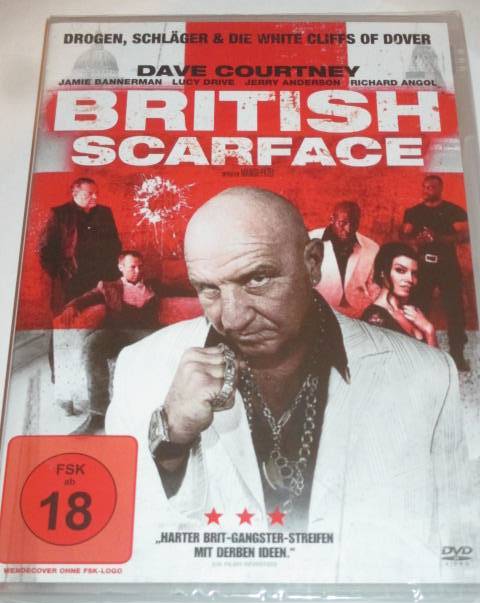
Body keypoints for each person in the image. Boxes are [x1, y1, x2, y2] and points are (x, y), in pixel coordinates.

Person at [106, 187, 471, 581]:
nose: (232, 318)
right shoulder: (140, 369)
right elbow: (123, 550)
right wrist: (170, 442)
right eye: (208, 288)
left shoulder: (428, 375)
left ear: (313, 263)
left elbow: (458, 554)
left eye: (257, 278)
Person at [59, 251, 161, 434]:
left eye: (140, 266)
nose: (138, 271)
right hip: (117, 333)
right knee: (92, 344)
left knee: (157, 350)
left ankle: (147, 415)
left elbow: (179, 290)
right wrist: (71, 306)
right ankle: (98, 415)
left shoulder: (153, 285)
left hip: (146, 334)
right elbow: (87, 297)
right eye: (132, 267)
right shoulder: (108, 287)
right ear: (121, 267)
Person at [402, 175, 470, 370]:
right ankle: (419, 354)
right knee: (417, 308)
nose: (428, 190)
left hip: (447, 266)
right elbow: (404, 236)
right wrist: (417, 241)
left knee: (455, 310)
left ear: (440, 189)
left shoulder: (452, 210)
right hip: (422, 266)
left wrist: (438, 238)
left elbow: (465, 235)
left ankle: (457, 355)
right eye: (425, 187)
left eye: (432, 187)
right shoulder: (414, 212)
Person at [39, 177, 121, 313]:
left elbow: (115, 244)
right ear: (75, 194)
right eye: (90, 194)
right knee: (72, 315)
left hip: (102, 276)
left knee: (102, 314)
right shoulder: (60, 213)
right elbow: (46, 248)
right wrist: (61, 272)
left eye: (96, 193)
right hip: (72, 278)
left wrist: (111, 270)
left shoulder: (105, 212)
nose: (95, 197)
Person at [309, 201, 378, 317]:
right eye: (342, 223)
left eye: (354, 224)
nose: (348, 229)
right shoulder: (309, 240)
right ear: (332, 219)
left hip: (357, 314)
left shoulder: (372, 248)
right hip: (317, 311)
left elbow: (375, 288)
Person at [361, 242, 437, 347]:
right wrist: (429, 330)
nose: (410, 279)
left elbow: (436, 357)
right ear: (383, 271)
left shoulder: (413, 312)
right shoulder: (374, 318)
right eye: (400, 270)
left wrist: (429, 329)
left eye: (414, 273)